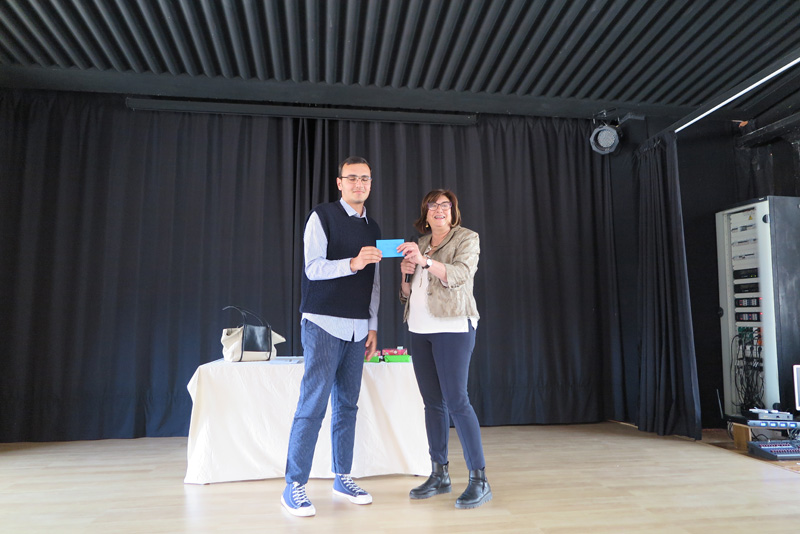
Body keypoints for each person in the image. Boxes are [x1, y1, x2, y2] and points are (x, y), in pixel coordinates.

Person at [281, 156, 382, 517]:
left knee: (348, 406)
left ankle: (343, 477)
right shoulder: (321, 216)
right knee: (313, 405)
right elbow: (313, 268)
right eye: (352, 178)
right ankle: (294, 484)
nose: (359, 184)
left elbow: (374, 282)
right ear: (339, 183)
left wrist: (372, 325)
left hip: (357, 329)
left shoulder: (373, 227)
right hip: (323, 323)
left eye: (364, 179)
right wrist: (352, 263)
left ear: (370, 184)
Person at [396, 189, 492, 509]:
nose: (439, 209)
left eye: (445, 205)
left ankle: (479, 480)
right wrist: (406, 277)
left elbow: (461, 275)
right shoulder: (422, 242)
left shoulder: (467, 238)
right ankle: (439, 474)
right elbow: (409, 293)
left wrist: (424, 261)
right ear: (425, 213)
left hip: (452, 327)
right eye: (433, 205)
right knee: (432, 404)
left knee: (457, 402)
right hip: (419, 329)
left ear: (453, 212)